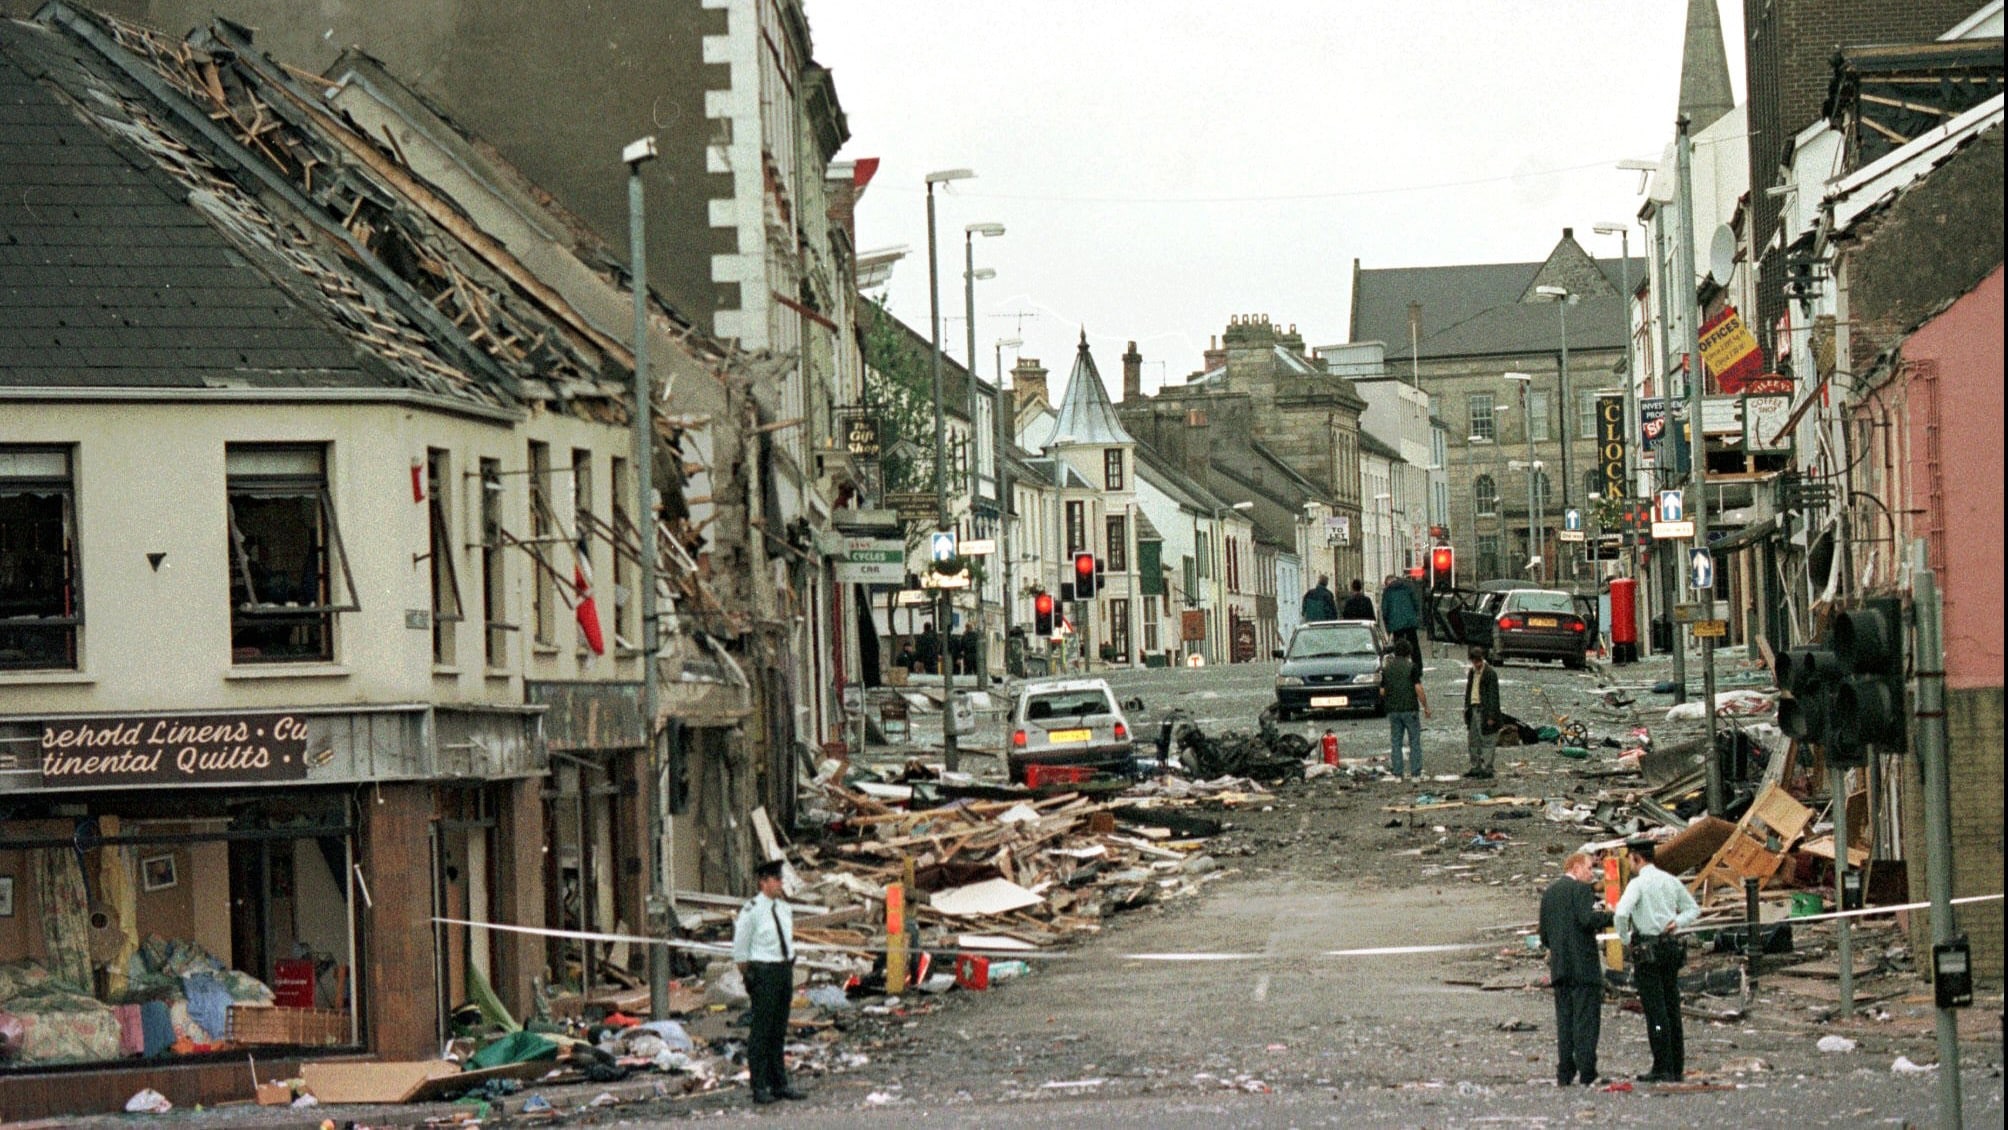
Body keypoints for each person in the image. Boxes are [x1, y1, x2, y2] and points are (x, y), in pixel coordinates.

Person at [1613, 838, 1700, 1083]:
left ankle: (1661, 1065)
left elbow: (1621, 913)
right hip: (1671, 947)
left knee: (1655, 1010)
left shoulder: (1638, 883)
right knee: (1672, 1006)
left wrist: (1624, 938)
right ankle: (1676, 1065)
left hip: (1648, 949)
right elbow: (1693, 908)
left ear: (1636, 858)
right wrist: (1678, 922)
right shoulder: (1670, 880)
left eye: (1630, 859)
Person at [732, 860, 806, 1103]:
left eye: (780, 879)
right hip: (763, 972)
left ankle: (779, 1083)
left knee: (778, 1030)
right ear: (762, 882)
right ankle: (759, 1086)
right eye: (775, 879)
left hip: (783, 969)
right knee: (762, 1031)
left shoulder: (784, 909)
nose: (780, 883)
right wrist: (749, 975)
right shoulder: (752, 910)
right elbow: (741, 948)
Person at [1540, 852, 1614, 1086]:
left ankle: (1565, 1071)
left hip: (1560, 968)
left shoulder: (1549, 893)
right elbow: (1586, 919)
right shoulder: (1581, 890)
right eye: (1589, 868)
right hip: (1583, 967)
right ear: (1575, 867)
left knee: (1565, 1021)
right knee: (1586, 1021)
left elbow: (1543, 935)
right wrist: (1610, 916)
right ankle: (1587, 1071)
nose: (1592, 874)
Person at [1382, 639, 1429, 780]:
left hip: (1393, 710)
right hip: (1410, 708)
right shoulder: (1411, 667)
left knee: (1396, 742)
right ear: (1409, 652)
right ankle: (1415, 773)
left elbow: (1382, 691)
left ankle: (1398, 774)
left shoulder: (1387, 669)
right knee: (1414, 741)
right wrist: (1425, 706)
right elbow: (1418, 688)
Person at [1461, 645, 1502, 779]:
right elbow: (1469, 691)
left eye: (1478, 661)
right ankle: (1476, 767)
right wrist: (1466, 708)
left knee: (1487, 740)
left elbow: (1493, 696)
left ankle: (1487, 768)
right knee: (1473, 740)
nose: (1476, 664)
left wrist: (1491, 715)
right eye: (1474, 661)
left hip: (1484, 710)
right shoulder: (1472, 673)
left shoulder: (1490, 673)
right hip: (1473, 709)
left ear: (1482, 659)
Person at [1381, 573, 1422, 660]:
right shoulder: (1407, 587)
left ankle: (1400, 665)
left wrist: (1388, 630)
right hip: (1410, 622)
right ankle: (1418, 666)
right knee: (1414, 644)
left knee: (1398, 647)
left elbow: (1385, 611)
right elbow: (1416, 603)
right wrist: (1416, 617)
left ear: (1387, 582)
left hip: (1396, 624)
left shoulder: (1387, 591)